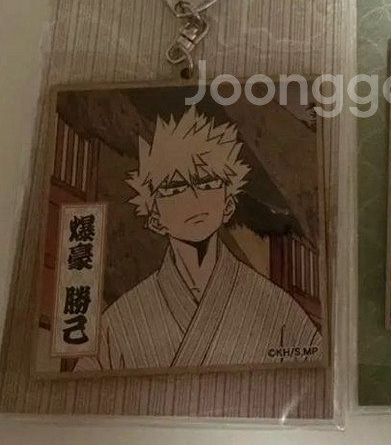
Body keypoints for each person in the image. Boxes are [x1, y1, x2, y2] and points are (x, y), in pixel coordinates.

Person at [76, 106, 320, 371]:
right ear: (154, 216)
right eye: (174, 188)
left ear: (228, 204)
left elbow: (319, 377)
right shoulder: (120, 321)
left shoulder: (277, 309)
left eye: (207, 183)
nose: (193, 198)